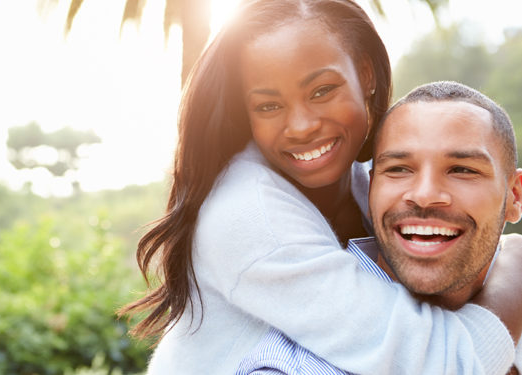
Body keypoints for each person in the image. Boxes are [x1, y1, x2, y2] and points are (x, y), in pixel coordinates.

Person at [119, 1, 522, 374]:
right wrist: (513, 276)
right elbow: (440, 363)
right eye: (268, 106)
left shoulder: (369, 179)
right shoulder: (248, 213)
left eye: (322, 91)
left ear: (365, 74)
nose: (301, 126)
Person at [236, 81, 522, 374]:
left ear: (514, 196)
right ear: (372, 187)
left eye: (462, 170)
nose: (424, 195)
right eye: (398, 169)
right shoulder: (293, 368)